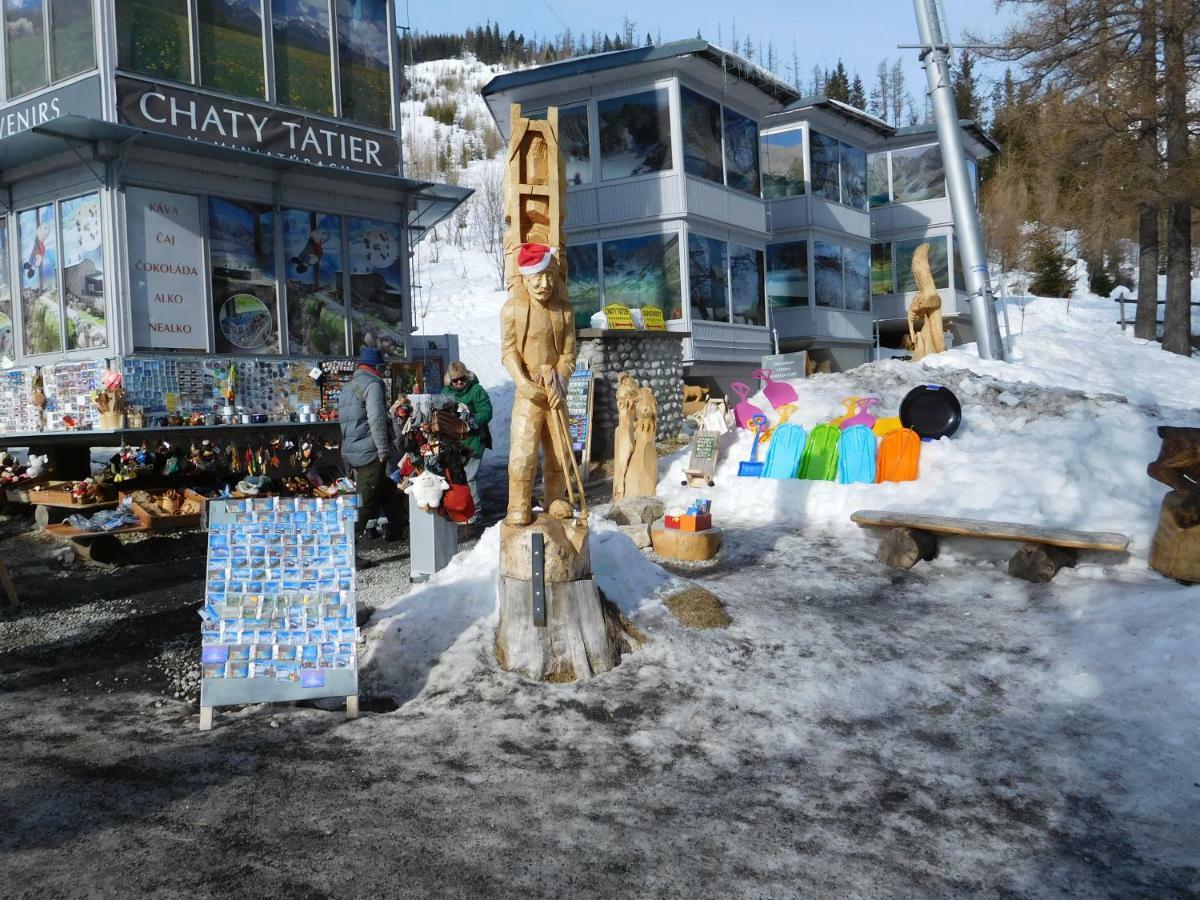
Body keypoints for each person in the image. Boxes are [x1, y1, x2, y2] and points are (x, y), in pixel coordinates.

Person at [501, 242, 576, 525]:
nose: (544, 284)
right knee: (523, 451)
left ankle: (555, 497)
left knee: (559, 451)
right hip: (529, 390)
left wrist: (561, 379)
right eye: (537, 277)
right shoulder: (512, 310)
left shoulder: (564, 311)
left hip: (554, 389)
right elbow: (508, 352)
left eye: (549, 276)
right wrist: (523, 383)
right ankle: (518, 504)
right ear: (525, 278)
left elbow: (569, 353)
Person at [339, 346, 406, 544]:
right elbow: (376, 420)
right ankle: (347, 549)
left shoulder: (347, 387)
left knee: (386, 489)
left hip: (355, 449)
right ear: (376, 367)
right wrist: (383, 449)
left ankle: (397, 529)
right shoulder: (373, 385)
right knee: (365, 503)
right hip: (370, 451)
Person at [442, 361, 492, 524]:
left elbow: (486, 410)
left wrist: (473, 421)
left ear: (467, 376)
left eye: (461, 379)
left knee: (469, 477)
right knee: (456, 476)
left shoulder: (476, 390)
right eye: (455, 380)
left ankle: (473, 511)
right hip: (454, 442)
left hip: (474, 439)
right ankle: (459, 508)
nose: (459, 383)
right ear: (450, 381)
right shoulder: (445, 392)